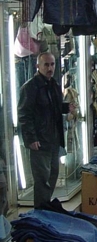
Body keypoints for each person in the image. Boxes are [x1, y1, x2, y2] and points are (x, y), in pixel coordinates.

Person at [17, 52, 75, 209]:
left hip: (54, 138)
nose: (50, 68)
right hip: (40, 140)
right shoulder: (30, 87)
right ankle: (41, 210)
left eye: (52, 64)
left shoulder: (54, 85)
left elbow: (53, 109)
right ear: (38, 66)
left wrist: (65, 107)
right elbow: (24, 115)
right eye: (46, 65)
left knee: (53, 174)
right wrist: (31, 138)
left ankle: (45, 207)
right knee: (42, 178)